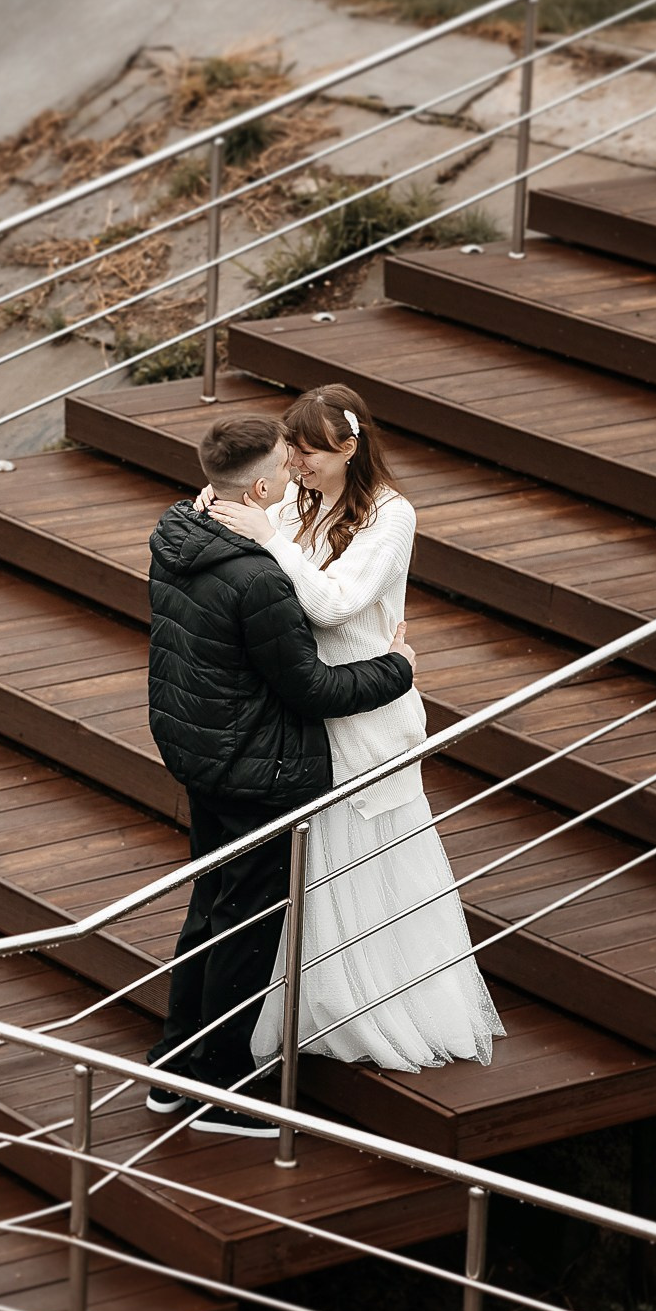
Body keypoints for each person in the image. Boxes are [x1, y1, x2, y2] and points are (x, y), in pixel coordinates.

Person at [204, 384, 504, 1074]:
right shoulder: (297, 497)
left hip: (367, 710)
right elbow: (240, 507)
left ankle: (376, 1002)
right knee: (313, 860)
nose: (297, 463)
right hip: (309, 706)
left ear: (350, 447)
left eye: (310, 451)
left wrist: (268, 537)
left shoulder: (391, 516)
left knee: (369, 857)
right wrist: (224, 504)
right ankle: (310, 999)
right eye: (293, 449)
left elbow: (337, 605)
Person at [146, 412, 419, 1136]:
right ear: (261, 488)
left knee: (209, 905)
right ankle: (222, 1091)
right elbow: (313, 689)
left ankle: (171, 1066)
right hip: (256, 770)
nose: (295, 471)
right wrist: (397, 668)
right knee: (244, 926)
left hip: (201, 753)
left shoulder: (179, 530)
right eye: (284, 464)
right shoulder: (258, 577)